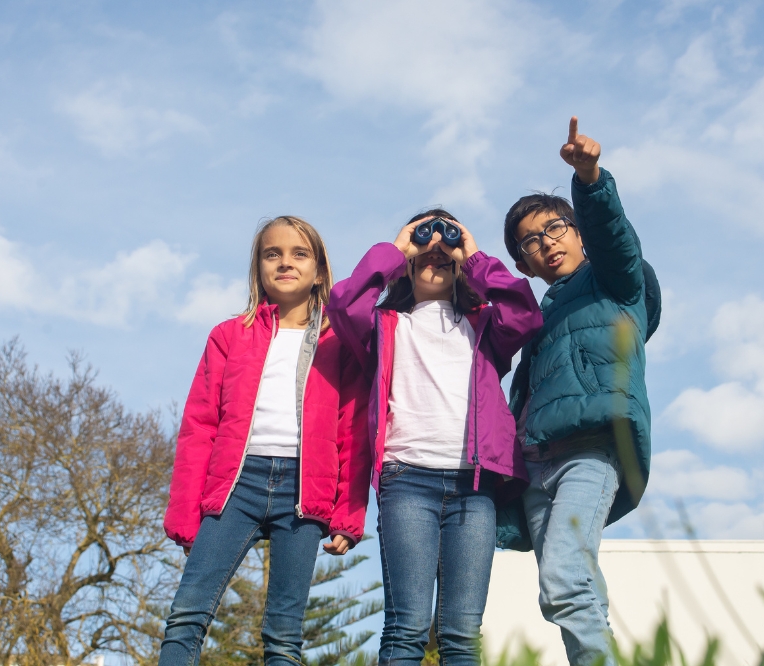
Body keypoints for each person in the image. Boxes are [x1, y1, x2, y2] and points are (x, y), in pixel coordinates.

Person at [327, 211, 542, 665]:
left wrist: (476, 256)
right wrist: (396, 249)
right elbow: (345, 304)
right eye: (424, 241)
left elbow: (524, 313)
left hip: (474, 486)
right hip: (407, 479)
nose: (436, 251)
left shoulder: (484, 326)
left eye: (448, 242)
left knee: (462, 632)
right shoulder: (385, 325)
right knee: (406, 625)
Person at [159, 216, 371, 665]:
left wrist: (347, 516)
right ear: (258, 267)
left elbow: (354, 431)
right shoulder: (228, 336)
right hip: (235, 489)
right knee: (186, 615)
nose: (285, 262)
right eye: (272, 254)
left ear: (319, 269)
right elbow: (199, 426)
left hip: (304, 491)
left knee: (283, 635)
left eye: (299, 254)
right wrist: (183, 512)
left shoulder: (340, 342)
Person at [502, 118, 658, 666]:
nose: (547, 244)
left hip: (590, 453)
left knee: (564, 579)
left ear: (577, 231)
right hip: (536, 469)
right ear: (523, 263)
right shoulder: (536, 321)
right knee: (576, 588)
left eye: (555, 229)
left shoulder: (615, 281)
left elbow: (615, 238)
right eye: (531, 241)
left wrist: (589, 179)